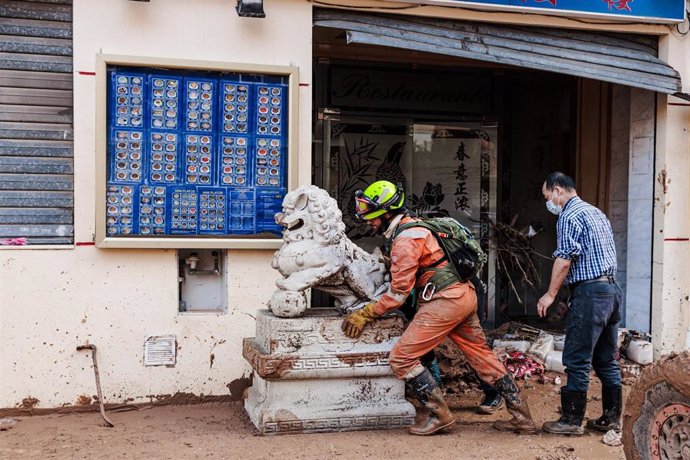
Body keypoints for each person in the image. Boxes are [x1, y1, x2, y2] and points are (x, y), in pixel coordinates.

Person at [341, 180, 535, 436]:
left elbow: (397, 295)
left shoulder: (405, 240)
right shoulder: (415, 228)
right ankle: (523, 417)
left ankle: (439, 414)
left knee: (401, 358)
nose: (367, 220)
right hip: (463, 296)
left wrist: (365, 313)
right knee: (483, 357)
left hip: (444, 302)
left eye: (371, 213)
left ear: (386, 212)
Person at [537, 172, 622, 436]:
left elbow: (564, 260)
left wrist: (550, 295)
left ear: (559, 190)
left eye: (547, 195)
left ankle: (571, 420)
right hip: (611, 291)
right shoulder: (596, 213)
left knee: (577, 358)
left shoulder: (569, 216)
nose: (548, 201)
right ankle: (611, 418)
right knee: (606, 358)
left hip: (591, 294)